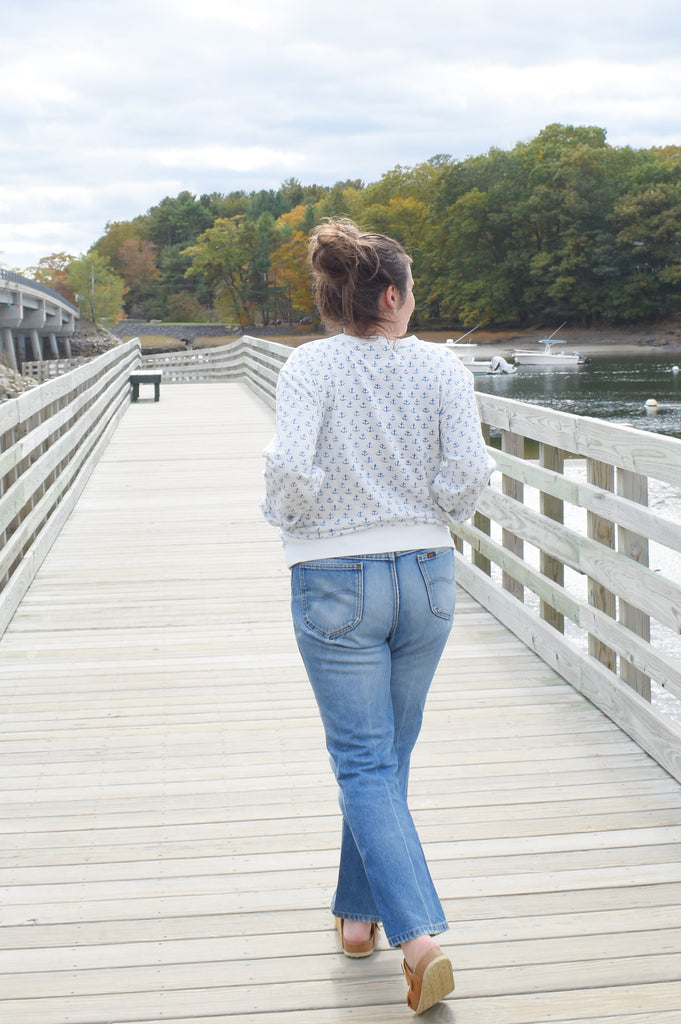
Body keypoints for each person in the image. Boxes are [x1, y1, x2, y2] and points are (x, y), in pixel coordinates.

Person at [260, 218, 494, 1014]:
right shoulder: (442, 368)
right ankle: (357, 919)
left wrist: (285, 516)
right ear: (391, 295)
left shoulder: (308, 367)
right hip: (426, 576)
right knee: (385, 760)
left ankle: (418, 938)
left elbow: (290, 466)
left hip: (334, 578)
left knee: (364, 763)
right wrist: (432, 513)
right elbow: (468, 472)